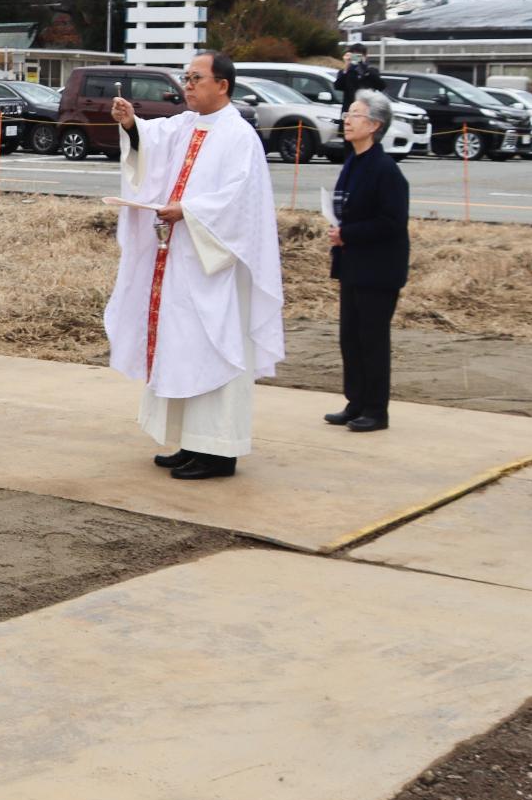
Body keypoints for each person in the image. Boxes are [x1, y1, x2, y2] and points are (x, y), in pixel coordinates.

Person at [105, 52, 286, 480]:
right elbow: (152, 144)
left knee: (216, 347)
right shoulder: (186, 124)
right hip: (180, 261)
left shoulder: (239, 136)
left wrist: (188, 211)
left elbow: (241, 201)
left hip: (215, 266)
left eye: (196, 78)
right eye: (185, 77)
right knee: (182, 348)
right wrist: (130, 123)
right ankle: (190, 443)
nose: (187, 85)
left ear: (222, 84)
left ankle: (219, 452)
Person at [323, 91, 410, 432]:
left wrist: (349, 234)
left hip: (378, 269)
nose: (347, 119)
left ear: (375, 125)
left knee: (372, 339)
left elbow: (392, 221)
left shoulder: (384, 169)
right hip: (353, 265)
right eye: (348, 113)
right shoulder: (354, 161)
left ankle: (376, 410)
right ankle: (355, 402)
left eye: (356, 115)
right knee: (351, 337)